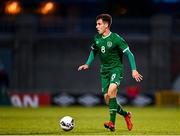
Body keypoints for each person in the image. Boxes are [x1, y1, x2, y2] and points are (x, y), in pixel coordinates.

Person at [78, 14, 143, 132]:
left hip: (116, 69)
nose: (96, 26)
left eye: (99, 24)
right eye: (96, 24)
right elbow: (93, 51)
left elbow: (130, 54)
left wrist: (134, 70)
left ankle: (112, 123)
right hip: (104, 72)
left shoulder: (116, 38)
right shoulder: (97, 38)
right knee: (108, 100)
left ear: (106, 25)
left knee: (111, 91)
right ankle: (126, 114)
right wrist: (87, 64)